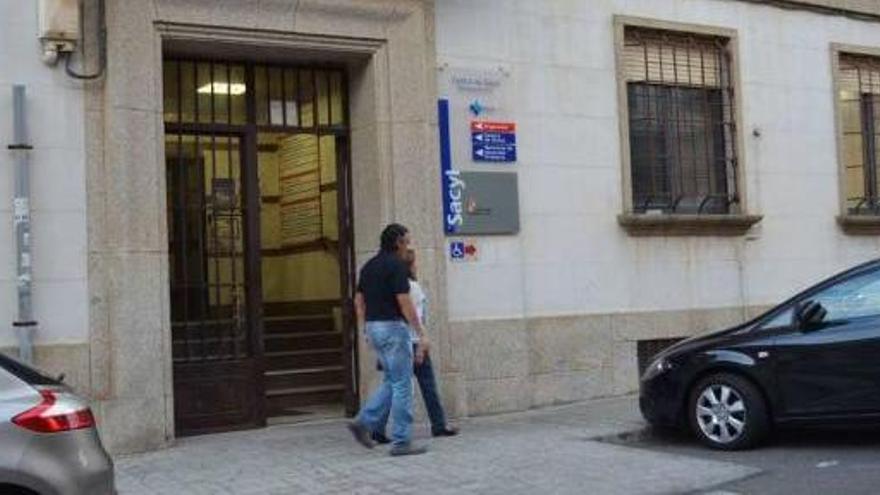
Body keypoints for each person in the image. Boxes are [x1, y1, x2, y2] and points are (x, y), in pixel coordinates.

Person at [346, 223, 430, 456]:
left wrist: (365, 328)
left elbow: (358, 301)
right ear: (397, 243)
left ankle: (363, 421)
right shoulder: (397, 266)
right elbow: (405, 302)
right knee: (403, 384)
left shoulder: (369, 266)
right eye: (406, 242)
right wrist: (421, 332)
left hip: (374, 327)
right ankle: (402, 441)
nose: (407, 247)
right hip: (393, 328)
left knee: (391, 380)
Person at [372, 248, 458, 444]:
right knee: (428, 385)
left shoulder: (389, 288)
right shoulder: (412, 288)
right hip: (411, 343)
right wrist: (421, 343)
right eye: (415, 262)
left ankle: (377, 428)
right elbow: (416, 318)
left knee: (392, 386)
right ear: (410, 266)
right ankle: (439, 425)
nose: (417, 265)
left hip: (394, 343)